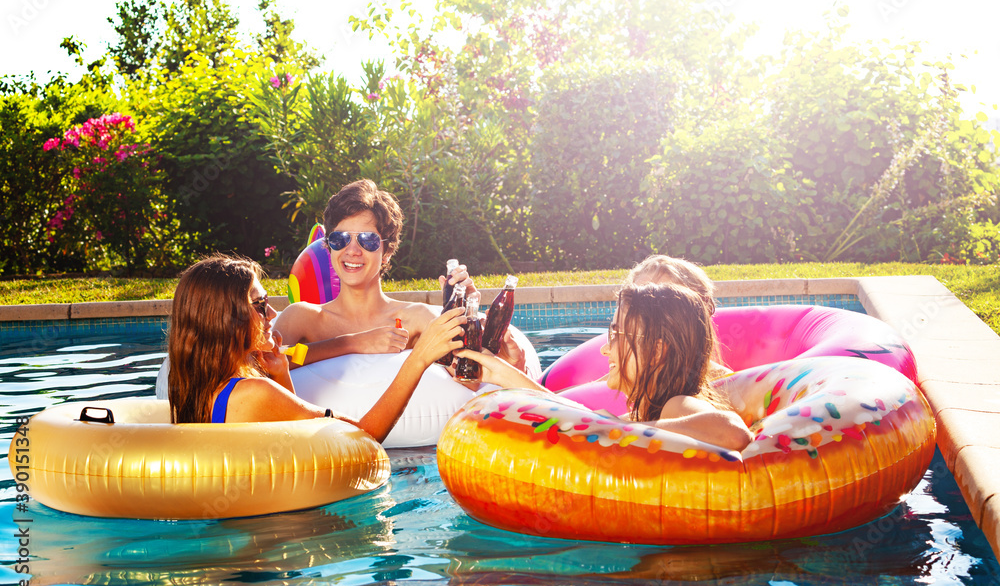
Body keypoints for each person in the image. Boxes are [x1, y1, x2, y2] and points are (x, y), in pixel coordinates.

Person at [167, 253, 466, 442]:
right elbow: (363, 439)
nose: (272, 315)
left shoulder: (196, 388)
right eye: (259, 305)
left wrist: (282, 373)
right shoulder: (253, 393)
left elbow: (300, 437)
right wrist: (418, 358)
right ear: (224, 320)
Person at [454, 282, 753, 451]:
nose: (605, 348)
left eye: (616, 335)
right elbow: (579, 419)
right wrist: (505, 376)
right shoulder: (649, 414)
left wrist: (618, 427)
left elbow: (733, 434)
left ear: (657, 350)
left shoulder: (676, 406)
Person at [274, 179, 527, 370]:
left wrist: (467, 318)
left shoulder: (415, 320)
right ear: (329, 248)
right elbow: (265, 366)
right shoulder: (302, 318)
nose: (352, 250)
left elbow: (468, 379)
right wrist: (353, 343)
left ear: (386, 252)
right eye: (340, 239)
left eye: (367, 240)